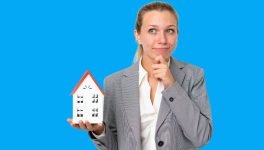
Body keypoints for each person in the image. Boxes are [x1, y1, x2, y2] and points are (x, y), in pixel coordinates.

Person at [67, 1, 213, 150]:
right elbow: (114, 146)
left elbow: (201, 137)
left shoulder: (194, 76)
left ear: (177, 34)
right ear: (138, 35)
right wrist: (99, 130)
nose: (162, 40)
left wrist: (171, 85)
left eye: (169, 31)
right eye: (152, 30)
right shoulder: (114, 83)